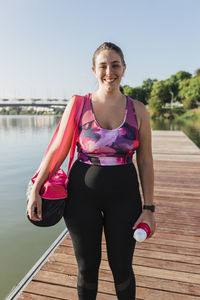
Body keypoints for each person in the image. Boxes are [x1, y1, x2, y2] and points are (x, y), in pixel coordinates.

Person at [27, 42, 156, 300]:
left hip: (125, 197)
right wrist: (36, 188)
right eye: (103, 66)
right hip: (81, 196)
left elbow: (145, 161)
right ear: (94, 70)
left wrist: (149, 209)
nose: (110, 71)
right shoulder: (78, 105)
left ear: (124, 68)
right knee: (87, 268)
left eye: (115, 65)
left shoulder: (138, 110)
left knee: (122, 268)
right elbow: (58, 151)